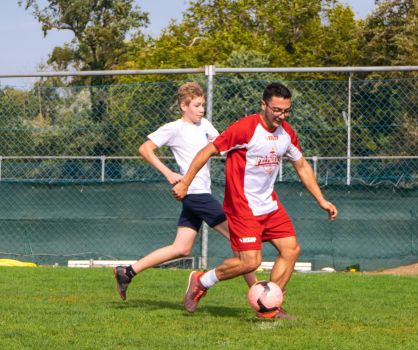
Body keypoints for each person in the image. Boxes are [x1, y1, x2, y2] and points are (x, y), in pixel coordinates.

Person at [172, 82, 338, 319]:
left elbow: (301, 165)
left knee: (291, 250)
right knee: (250, 262)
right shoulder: (244, 129)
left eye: (286, 111)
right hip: (242, 206)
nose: (281, 116)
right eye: (276, 110)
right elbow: (206, 152)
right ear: (264, 105)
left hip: (269, 205)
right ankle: (201, 281)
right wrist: (186, 182)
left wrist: (321, 199)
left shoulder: (287, 133)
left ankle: (270, 306)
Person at [113, 82, 257, 300]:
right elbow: (145, 149)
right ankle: (258, 293)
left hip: (198, 194)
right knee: (238, 236)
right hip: (195, 193)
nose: (201, 110)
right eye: (197, 105)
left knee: (181, 248)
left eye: (203, 105)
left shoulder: (206, 125)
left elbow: (221, 147)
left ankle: (127, 272)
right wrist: (168, 173)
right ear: (183, 106)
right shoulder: (174, 128)